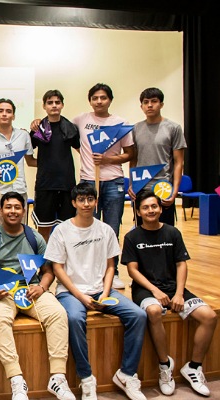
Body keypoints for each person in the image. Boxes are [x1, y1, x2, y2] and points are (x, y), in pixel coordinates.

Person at [45, 182, 147, 400]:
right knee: (74, 319)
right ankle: (86, 378)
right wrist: (80, 296)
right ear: (74, 203)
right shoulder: (61, 231)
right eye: (81, 200)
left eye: (90, 199)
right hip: (70, 292)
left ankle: (127, 374)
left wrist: (105, 293)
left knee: (138, 315)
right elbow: (58, 269)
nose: (86, 204)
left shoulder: (106, 230)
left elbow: (111, 266)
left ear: (96, 202)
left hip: (102, 290)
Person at [33, 84, 134, 289]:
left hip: (113, 181)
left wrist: (107, 159)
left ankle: (112, 272)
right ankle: (85, 271)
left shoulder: (119, 123)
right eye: (95, 98)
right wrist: (36, 122)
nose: (99, 101)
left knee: (111, 228)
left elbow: (130, 154)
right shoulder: (80, 120)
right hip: (87, 181)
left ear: (110, 100)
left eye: (103, 98)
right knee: (86, 230)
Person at [0, 191, 73, 400]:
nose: (12, 211)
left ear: (24, 211)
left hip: (32, 291)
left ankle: (58, 378)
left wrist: (42, 287)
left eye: (17, 207)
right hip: (2, 293)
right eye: (8, 207)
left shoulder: (34, 237)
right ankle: (16, 380)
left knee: (58, 314)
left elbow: (48, 271)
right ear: (1, 210)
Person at [123, 190, 217, 397]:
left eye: (154, 206)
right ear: (138, 211)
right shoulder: (132, 237)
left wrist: (179, 293)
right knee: (154, 311)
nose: (150, 210)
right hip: (145, 290)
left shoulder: (172, 233)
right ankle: (165, 366)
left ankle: (194, 367)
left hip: (174, 288)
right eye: (145, 207)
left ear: (161, 208)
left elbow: (181, 264)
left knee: (209, 316)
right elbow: (132, 270)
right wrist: (155, 290)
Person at [128, 88, 187, 226]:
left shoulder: (173, 128)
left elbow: (179, 162)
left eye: (154, 101)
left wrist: (175, 191)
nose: (149, 105)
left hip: (163, 187)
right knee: (142, 229)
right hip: (141, 186)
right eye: (146, 102)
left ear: (161, 104)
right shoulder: (135, 129)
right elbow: (133, 159)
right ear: (141, 106)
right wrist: (132, 183)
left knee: (165, 229)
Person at [28, 90, 80, 242]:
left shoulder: (71, 128)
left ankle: (65, 257)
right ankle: (44, 258)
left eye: (57, 102)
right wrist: (45, 164)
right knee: (44, 229)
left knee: (68, 229)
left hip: (67, 185)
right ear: (44, 106)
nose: (54, 105)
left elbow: (82, 151)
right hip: (45, 185)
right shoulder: (38, 128)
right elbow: (29, 157)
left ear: (62, 105)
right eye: (50, 102)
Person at [0, 98, 36, 228]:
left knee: (20, 230)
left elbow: (30, 161)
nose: (4, 114)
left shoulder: (24, 135)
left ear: (13, 116)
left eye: (8, 111)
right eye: (0, 111)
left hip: (19, 189)